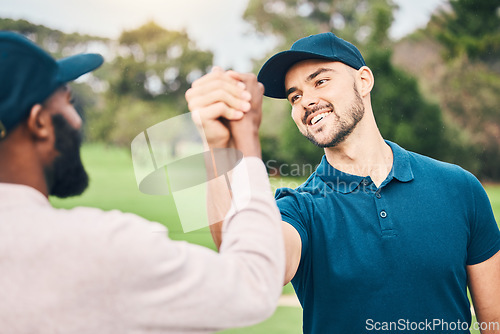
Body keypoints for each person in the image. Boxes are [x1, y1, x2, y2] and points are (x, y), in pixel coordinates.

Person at [186, 32, 500, 333]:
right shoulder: (299, 209)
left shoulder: (460, 187)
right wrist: (216, 148)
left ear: (363, 81)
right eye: (295, 96)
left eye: (320, 81)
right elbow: (254, 261)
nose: (306, 101)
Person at [0, 31, 285, 333]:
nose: (76, 119)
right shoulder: (99, 247)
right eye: (68, 102)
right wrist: (245, 138)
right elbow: (252, 286)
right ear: (39, 122)